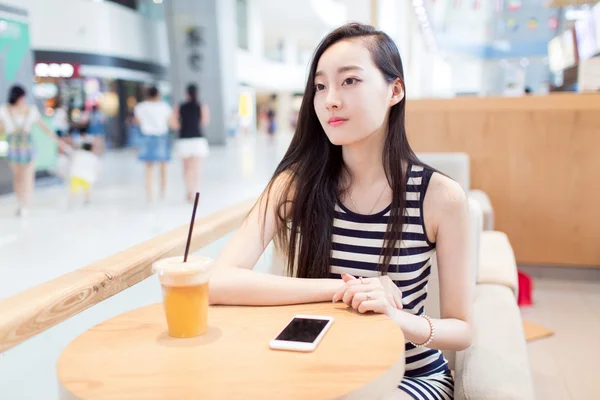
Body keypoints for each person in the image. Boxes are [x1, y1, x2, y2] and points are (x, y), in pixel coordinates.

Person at [209, 23, 472, 400]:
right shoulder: (296, 183)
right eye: (320, 86)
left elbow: (462, 329)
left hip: (407, 377)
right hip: (319, 367)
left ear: (394, 90)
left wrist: (397, 318)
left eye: (349, 81)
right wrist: (348, 289)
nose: (330, 99)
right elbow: (217, 282)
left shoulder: (440, 197)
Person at [0, 85, 70, 216]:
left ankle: (25, 205)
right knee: (18, 177)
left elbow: (45, 128)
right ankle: (21, 203)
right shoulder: (4, 110)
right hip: (15, 148)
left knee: (26, 177)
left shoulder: (30, 110)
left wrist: (58, 141)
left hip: (25, 147)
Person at [133, 86, 178, 203]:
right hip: (161, 137)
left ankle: (149, 194)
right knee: (163, 166)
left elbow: (137, 122)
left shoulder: (140, 107)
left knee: (148, 167)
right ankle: (162, 192)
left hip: (146, 137)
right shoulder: (164, 106)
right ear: (158, 95)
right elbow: (171, 122)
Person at [174, 84, 210, 202]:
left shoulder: (180, 107)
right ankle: (195, 192)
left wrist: (182, 125)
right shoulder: (201, 106)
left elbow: (174, 123)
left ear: (186, 93)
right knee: (197, 169)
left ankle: (189, 191)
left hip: (184, 139)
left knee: (187, 169)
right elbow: (204, 121)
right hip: (197, 140)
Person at [69, 135, 99, 205]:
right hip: (86, 176)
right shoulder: (93, 157)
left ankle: (71, 200)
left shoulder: (78, 153)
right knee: (87, 189)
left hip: (76, 175)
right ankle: (87, 200)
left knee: (74, 189)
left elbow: (71, 155)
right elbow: (96, 167)